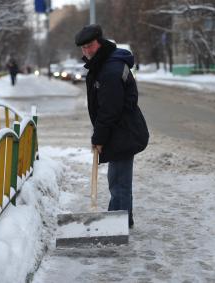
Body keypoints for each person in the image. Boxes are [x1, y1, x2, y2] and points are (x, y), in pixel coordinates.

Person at [75, 24, 149, 228]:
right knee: (117, 181)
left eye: (90, 46)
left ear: (100, 42)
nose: (87, 51)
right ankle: (120, 221)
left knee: (119, 183)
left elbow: (110, 110)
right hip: (120, 130)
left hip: (123, 131)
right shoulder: (105, 63)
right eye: (83, 48)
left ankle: (119, 224)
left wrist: (98, 138)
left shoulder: (110, 69)